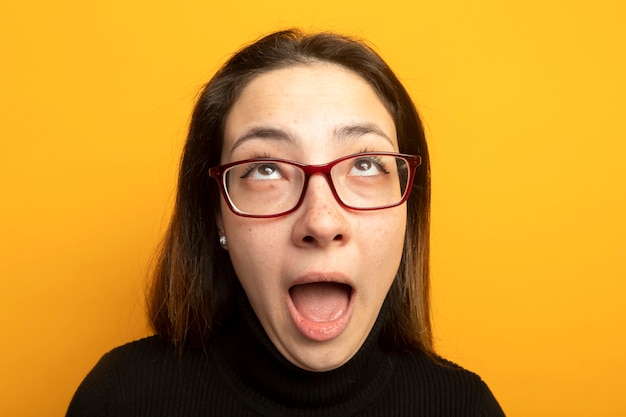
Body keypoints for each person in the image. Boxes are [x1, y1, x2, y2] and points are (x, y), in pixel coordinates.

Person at [66, 29, 505, 416]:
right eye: (266, 169)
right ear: (217, 212)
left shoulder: (466, 407)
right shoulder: (119, 400)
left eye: (366, 163)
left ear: (408, 206)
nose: (320, 220)